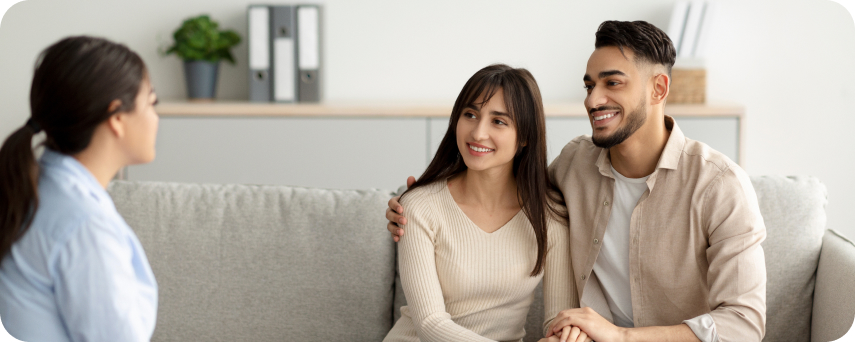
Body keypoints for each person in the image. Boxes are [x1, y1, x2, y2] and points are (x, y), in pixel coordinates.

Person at [388, 21, 767, 342]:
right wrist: (414, 202)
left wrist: (621, 337)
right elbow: (508, 187)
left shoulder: (719, 186)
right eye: (589, 86)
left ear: (658, 89)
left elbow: (745, 324)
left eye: (612, 83)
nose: (592, 100)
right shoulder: (574, 165)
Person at [383, 64, 589, 342]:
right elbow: (430, 324)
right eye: (470, 114)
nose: (478, 133)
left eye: (498, 121)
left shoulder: (549, 215)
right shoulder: (420, 207)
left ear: (526, 136)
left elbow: (559, 318)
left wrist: (565, 336)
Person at [0, 36, 159, 341]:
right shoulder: (84, 224)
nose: (156, 118)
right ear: (117, 118)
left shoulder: (34, 187)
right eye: (151, 103)